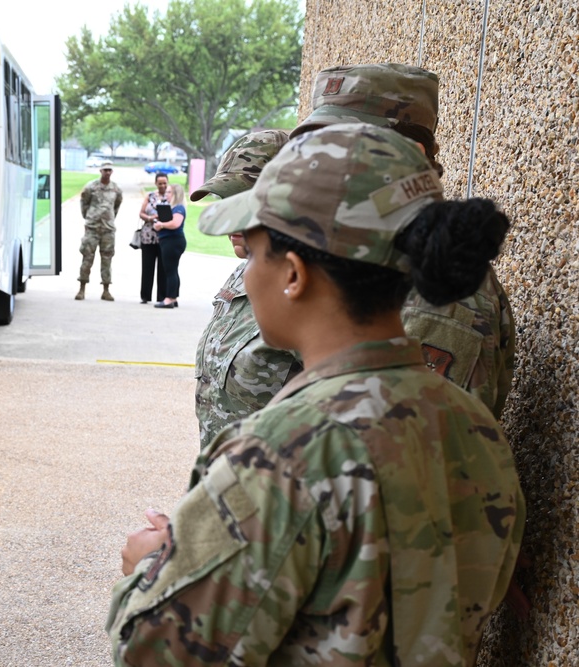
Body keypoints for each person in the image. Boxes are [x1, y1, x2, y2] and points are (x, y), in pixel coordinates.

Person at [107, 123, 525, 666]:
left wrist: (154, 563)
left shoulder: (282, 452)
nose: (246, 274)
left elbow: (155, 653)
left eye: (254, 255)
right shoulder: (472, 424)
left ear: (294, 275)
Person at [291, 62, 515, 418]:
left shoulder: (433, 278)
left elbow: (409, 446)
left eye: (342, 144)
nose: (321, 159)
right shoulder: (366, 246)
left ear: (412, 151)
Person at [189, 129, 300, 448]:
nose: (229, 217)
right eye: (226, 200)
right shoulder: (242, 273)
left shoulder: (308, 292)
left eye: (245, 201)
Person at [76, 160, 123, 301]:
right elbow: (84, 203)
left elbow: (116, 206)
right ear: (100, 171)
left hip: (108, 229)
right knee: (87, 258)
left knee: (107, 259)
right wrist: (89, 217)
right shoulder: (91, 187)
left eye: (109, 170)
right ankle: (82, 288)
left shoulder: (116, 189)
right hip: (92, 228)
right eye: (105, 170)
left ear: (112, 172)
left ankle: (106, 290)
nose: (107, 172)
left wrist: (109, 218)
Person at [152, 183, 186, 308]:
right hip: (170, 241)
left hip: (173, 241)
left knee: (170, 270)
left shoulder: (179, 208)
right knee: (172, 270)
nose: (166, 194)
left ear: (175, 194)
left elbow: (175, 223)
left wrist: (161, 225)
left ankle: (169, 299)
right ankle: (173, 297)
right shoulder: (172, 208)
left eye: (169, 192)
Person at [136, 172, 168, 304]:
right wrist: (150, 218)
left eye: (165, 183)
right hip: (148, 236)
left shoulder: (171, 196)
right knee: (147, 267)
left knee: (163, 268)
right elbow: (141, 213)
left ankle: (162, 297)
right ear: (156, 183)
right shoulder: (150, 196)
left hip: (164, 237)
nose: (162, 186)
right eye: (160, 183)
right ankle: (145, 296)